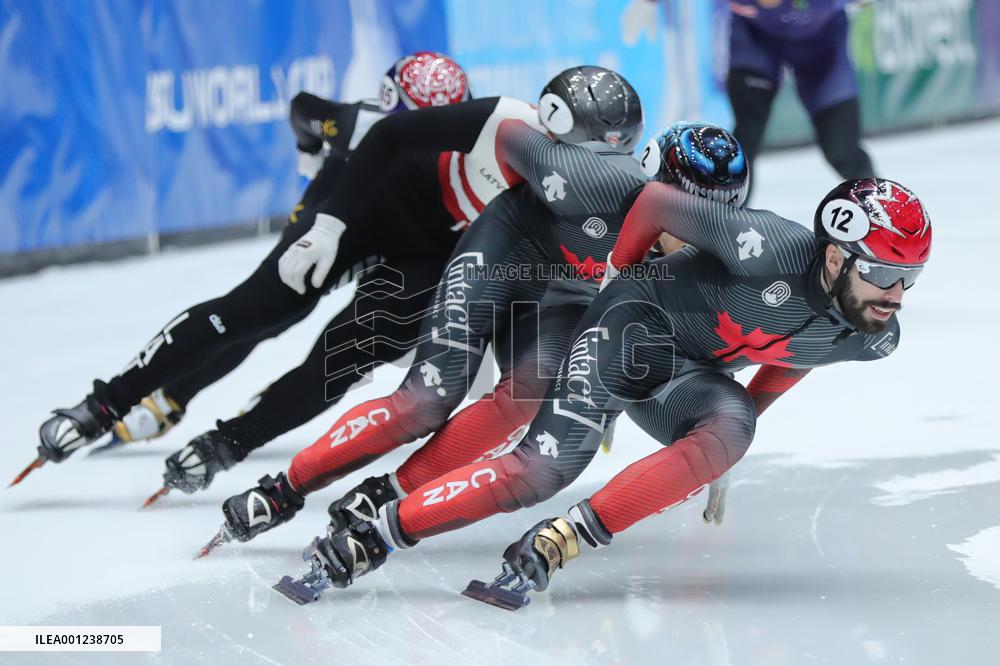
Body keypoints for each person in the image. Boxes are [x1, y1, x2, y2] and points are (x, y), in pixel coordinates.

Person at [280, 173, 930, 604]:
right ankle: (376, 533)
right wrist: (620, 273)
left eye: (912, 278)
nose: (898, 297)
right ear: (838, 256)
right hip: (632, 322)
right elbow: (653, 204)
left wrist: (717, 444)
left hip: (685, 373)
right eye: (887, 275)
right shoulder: (764, 245)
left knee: (734, 426)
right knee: (541, 468)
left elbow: (802, 351)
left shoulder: (873, 332)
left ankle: (555, 541)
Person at [14, 53, 495, 486]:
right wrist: (310, 165)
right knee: (264, 309)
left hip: (424, 252)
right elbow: (305, 111)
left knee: (340, 360)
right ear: (386, 113)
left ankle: (231, 439)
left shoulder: (491, 151)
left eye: (440, 129)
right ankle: (111, 403)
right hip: (346, 214)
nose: (422, 144)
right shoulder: (359, 124)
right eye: (407, 131)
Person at [727, 0, 875, 193]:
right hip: (757, 41)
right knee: (746, 137)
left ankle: (879, 205)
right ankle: (728, 213)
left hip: (822, 47)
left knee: (842, 150)